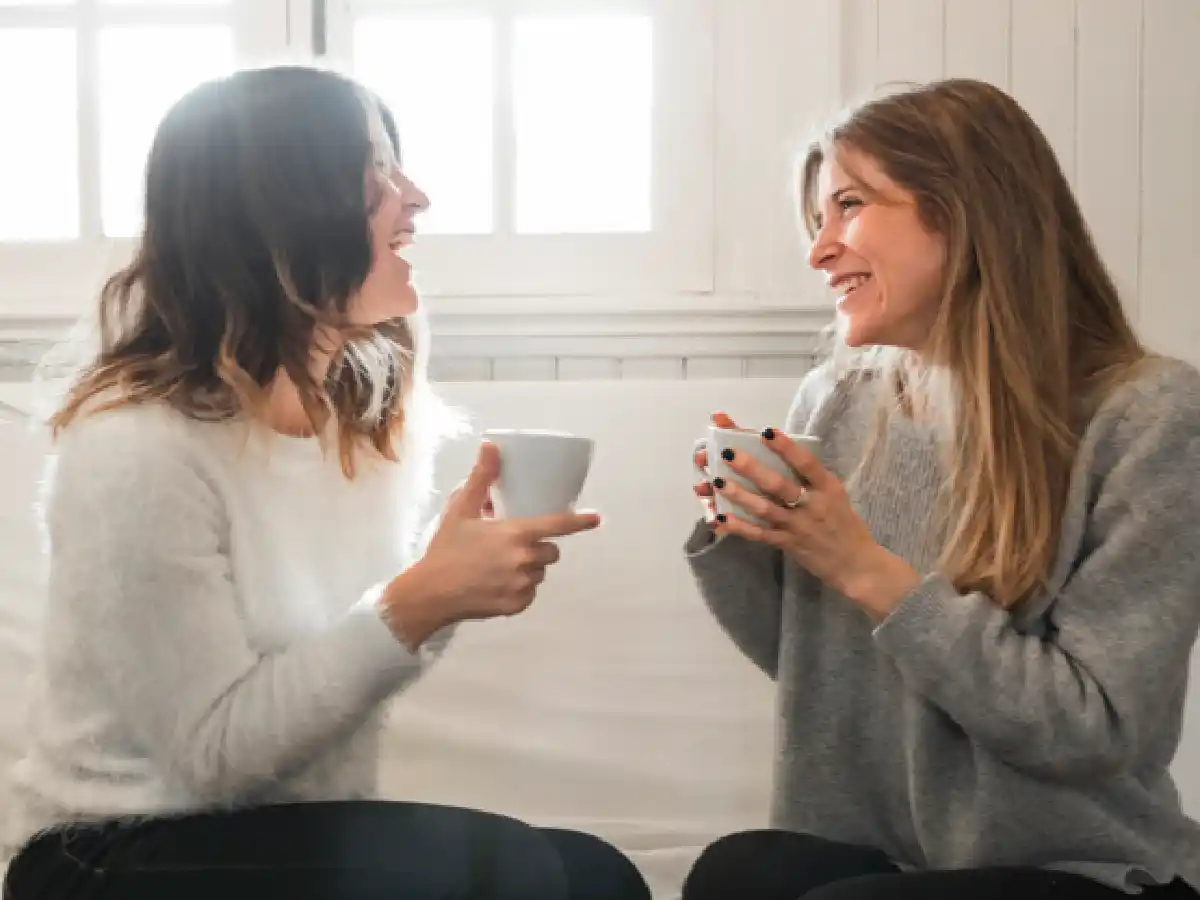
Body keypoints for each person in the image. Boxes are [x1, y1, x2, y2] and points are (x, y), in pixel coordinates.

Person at [1, 65, 650, 900]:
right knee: (516, 873)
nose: (416, 197)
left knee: (596, 877)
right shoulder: (136, 450)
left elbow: (348, 661)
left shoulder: (364, 416)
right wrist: (419, 598)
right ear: (279, 214)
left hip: (283, 836)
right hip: (109, 854)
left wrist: (446, 583)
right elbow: (213, 756)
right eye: (377, 170)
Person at [683, 78, 1200, 900]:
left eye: (848, 207)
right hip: (882, 855)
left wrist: (864, 567)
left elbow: (1091, 728)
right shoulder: (837, 399)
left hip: (1084, 866)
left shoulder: (1146, 417)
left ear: (964, 211)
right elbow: (820, 673)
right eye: (817, 221)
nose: (819, 251)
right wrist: (749, 537)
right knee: (736, 875)